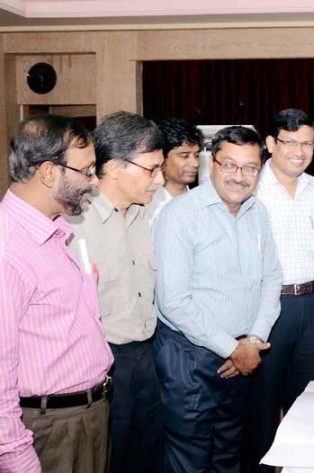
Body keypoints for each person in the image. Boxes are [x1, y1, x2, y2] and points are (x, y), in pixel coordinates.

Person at [153, 125, 282, 472]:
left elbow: (272, 280)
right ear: (212, 164)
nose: (239, 177)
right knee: (189, 460)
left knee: (229, 455)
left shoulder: (259, 213)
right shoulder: (180, 215)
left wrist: (253, 341)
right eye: (229, 165)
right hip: (190, 358)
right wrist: (232, 348)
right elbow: (174, 302)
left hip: (243, 356)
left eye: (250, 168)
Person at [0, 115, 113, 472]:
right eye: (86, 171)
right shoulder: (9, 250)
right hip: (47, 430)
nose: (93, 183)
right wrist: (17, 458)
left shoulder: (55, 233)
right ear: (49, 172)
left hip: (85, 417)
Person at [66, 111, 167, 473]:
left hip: (147, 356)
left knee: (148, 455)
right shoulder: (73, 222)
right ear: (112, 167)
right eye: (150, 169)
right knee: (108, 459)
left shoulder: (145, 215)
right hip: (102, 365)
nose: (159, 179)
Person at [244, 108, 314, 472]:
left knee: (309, 403)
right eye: (290, 142)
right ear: (270, 143)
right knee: (262, 407)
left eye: (308, 143)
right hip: (266, 307)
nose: (299, 151)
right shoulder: (250, 190)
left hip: (310, 304)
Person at [149, 118, 203, 225]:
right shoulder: (146, 204)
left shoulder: (203, 201)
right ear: (162, 158)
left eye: (196, 156)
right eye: (184, 156)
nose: (195, 163)